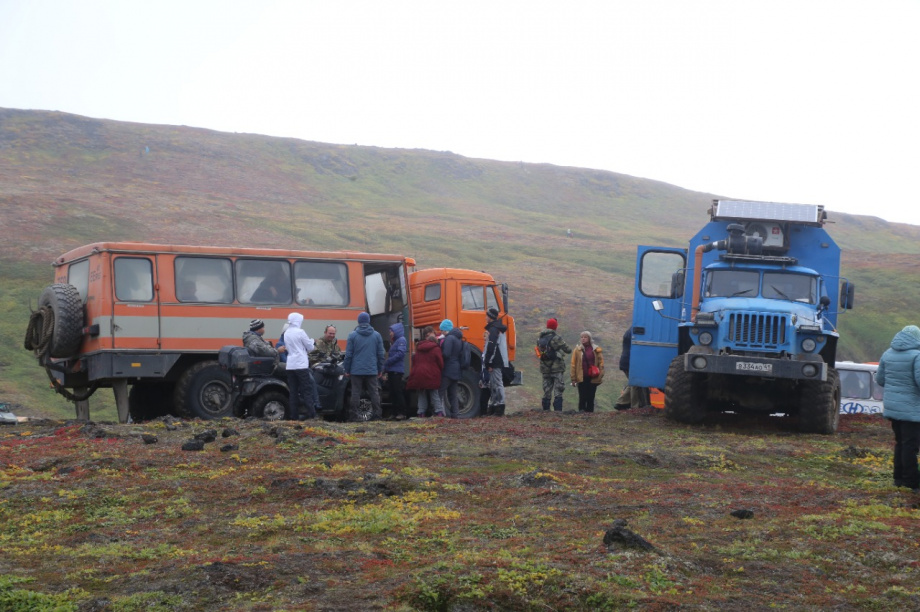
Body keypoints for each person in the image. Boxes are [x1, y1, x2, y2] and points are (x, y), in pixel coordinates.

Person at [875, 325, 920, 492]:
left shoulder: (887, 354)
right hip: (913, 409)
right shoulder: (917, 356)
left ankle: (898, 478)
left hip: (893, 408)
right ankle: (911, 482)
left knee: (900, 443)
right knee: (911, 445)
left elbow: (880, 380)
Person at [343, 312, 385, 419]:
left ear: (358, 321)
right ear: (368, 321)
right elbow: (381, 354)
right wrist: (380, 369)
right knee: (374, 393)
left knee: (355, 393)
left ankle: (354, 416)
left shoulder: (352, 335)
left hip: (356, 370)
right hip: (372, 370)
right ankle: (377, 415)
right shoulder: (377, 335)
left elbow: (348, 355)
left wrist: (347, 369)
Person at [282, 313, 320, 420]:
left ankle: (294, 416)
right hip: (301, 365)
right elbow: (310, 347)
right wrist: (312, 341)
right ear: (298, 321)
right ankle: (311, 414)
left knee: (293, 392)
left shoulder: (286, 333)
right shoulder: (300, 332)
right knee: (306, 390)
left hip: (290, 365)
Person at [406, 326, 444, 417]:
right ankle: (439, 413)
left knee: (422, 394)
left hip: (419, 375)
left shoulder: (418, 347)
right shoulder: (436, 348)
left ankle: (421, 414)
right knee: (434, 394)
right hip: (432, 375)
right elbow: (441, 363)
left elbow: (414, 361)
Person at [538, 318, 572, 412]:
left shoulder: (540, 338)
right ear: (555, 327)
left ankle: (546, 410)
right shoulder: (556, 338)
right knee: (558, 389)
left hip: (545, 367)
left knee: (547, 390)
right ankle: (558, 411)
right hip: (556, 367)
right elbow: (568, 350)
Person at [615, 328, 650, 410]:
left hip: (626, 361)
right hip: (630, 361)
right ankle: (635, 406)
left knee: (632, 383)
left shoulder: (629, 331)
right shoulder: (636, 331)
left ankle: (621, 402)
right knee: (635, 384)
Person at [570, 331, 604, 412]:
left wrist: (601, 375)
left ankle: (590, 415)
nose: (583, 339)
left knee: (591, 397)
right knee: (582, 397)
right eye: (582, 337)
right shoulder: (577, 350)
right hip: (581, 377)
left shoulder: (596, 349)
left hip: (593, 377)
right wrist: (573, 378)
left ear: (589, 338)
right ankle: (581, 414)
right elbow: (573, 364)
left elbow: (601, 363)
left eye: (585, 337)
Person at [484, 307, 509, 416]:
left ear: (490, 317)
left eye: (486, 316)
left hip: (495, 360)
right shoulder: (496, 328)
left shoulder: (493, 329)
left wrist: (488, 361)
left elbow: (492, 346)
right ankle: (495, 406)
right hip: (496, 359)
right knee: (494, 383)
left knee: (497, 383)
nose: (485, 317)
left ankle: (499, 407)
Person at [384, 322, 410, 419]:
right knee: (393, 392)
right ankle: (395, 412)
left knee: (397, 391)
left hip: (396, 371)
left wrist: (388, 362)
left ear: (396, 331)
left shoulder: (401, 340)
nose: (390, 333)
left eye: (391, 331)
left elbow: (400, 354)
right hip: (392, 370)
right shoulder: (395, 342)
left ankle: (401, 412)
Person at [439, 319, 463, 419]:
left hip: (448, 368)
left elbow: (446, 354)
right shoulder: (458, 339)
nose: (441, 332)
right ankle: (455, 414)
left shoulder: (449, 339)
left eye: (442, 330)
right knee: (452, 393)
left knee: (440, 391)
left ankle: (438, 412)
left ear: (445, 330)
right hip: (456, 368)